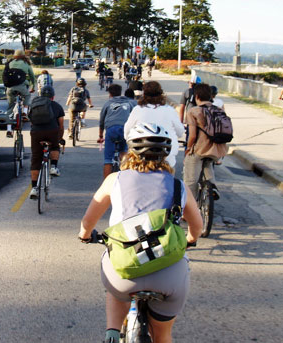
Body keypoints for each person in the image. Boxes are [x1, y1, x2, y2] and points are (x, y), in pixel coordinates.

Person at [79, 122, 203, 343]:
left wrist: (86, 235)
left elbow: (88, 222)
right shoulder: (178, 187)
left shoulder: (114, 180)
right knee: (163, 334)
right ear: (166, 154)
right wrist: (190, 240)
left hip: (124, 274)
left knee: (115, 279)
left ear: (130, 150)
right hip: (169, 276)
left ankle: (112, 333)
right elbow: (197, 226)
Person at [123, 81, 184, 169]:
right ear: (161, 94)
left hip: (142, 155)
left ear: (144, 94)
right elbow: (180, 132)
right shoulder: (170, 110)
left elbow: (127, 132)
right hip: (166, 156)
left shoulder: (138, 110)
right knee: (168, 180)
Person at [183, 84, 227, 200]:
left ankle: (190, 208)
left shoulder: (194, 111)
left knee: (190, 181)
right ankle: (212, 187)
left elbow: (192, 136)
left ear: (197, 96)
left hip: (200, 149)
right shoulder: (218, 110)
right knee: (207, 164)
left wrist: (188, 148)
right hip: (216, 150)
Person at [28, 85, 65, 198]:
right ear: (52, 97)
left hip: (36, 133)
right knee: (54, 147)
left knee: (36, 158)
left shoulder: (34, 105)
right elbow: (61, 126)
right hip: (51, 131)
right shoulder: (57, 106)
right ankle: (53, 167)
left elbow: (31, 122)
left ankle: (34, 188)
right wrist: (59, 139)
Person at [98, 84, 137, 178]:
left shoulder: (107, 104)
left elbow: (102, 122)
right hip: (125, 130)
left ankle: (106, 184)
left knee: (108, 159)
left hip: (111, 130)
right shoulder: (129, 103)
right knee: (124, 152)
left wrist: (100, 136)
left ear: (110, 94)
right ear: (120, 92)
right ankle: (125, 179)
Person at [6, 50, 35, 138]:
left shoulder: (10, 63)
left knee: (10, 107)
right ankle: (25, 113)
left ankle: (9, 129)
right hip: (22, 87)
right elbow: (32, 76)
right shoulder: (26, 64)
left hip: (10, 88)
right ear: (23, 56)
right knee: (27, 95)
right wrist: (33, 86)